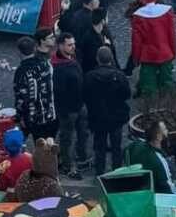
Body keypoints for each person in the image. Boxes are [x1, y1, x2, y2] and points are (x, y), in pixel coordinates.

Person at [83, 46, 130, 175]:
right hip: (116, 117)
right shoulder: (120, 76)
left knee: (99, 146)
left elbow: (85, 96)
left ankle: (100, 172)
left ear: (97, 59)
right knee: (116, 146)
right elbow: (126, 94)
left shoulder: (89, 77)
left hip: (97, 117)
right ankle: (117, 171)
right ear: (111, 59)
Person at [52, 32, 88, 178]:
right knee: (67, 138)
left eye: (73, 44)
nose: (73, 47)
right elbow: (59, 92)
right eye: (69, 45)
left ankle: (82, 158)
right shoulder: (57, 67)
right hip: (68, 110)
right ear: (61, 46)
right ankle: (67, 164)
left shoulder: (72, 57)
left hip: (80, 105)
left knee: (83, 133)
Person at [14, 30, 58, 139]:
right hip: (50, 115)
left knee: (28, 144)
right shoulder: (46, 64)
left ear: (19, 52)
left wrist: (20, 117)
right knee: (48, 148)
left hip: (33, 118)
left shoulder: (21, 72)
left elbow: (22, 98)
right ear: (34, 49)